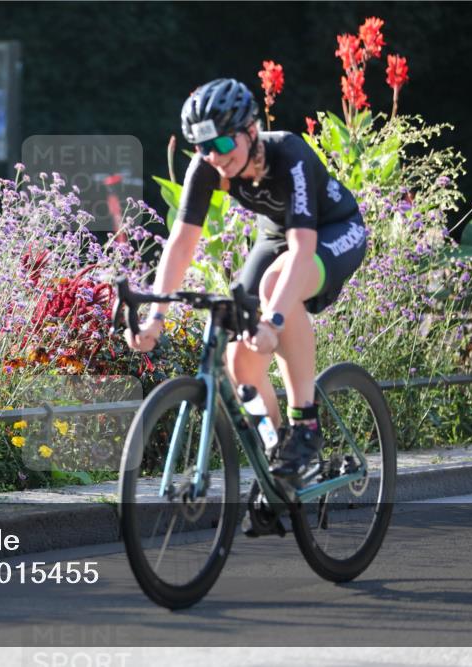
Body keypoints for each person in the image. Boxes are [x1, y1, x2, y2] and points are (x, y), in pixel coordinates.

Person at [125, 78, 368, 481]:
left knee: (275, 290)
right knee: (239, 361)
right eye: (204, 147)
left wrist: (273, 321)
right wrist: (156, 316)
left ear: (251, 130)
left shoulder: (288, 154)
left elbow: (302, 250)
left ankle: (305, 424)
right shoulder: (207, 167)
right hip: (275, 235)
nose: (214, 157)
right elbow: (182, 244)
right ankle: (284, 458)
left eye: (222, 144)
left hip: (333, 230)